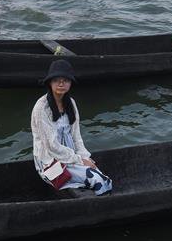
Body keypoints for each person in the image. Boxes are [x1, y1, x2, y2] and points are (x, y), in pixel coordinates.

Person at [31, 60, 112, 195]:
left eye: (65, 80)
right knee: (98, 180)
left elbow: (76, 136)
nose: (61, 83)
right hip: (50, 162)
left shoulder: (71, 104)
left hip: (71, 156)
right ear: (50, 82)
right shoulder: (41, 108)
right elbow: (52, 146)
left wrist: (86, 157)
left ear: (70, 83)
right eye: (56, 80)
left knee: (101, 175)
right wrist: (80, 160)